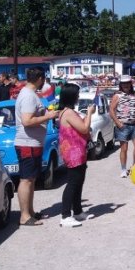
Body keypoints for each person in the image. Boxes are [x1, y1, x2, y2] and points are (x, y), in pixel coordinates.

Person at [14, 67, 60, 226]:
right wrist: (48, 116)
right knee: (26, 180)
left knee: (31, 179)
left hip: (33, 142)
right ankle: (24, 216)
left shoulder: (30, 94)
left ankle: (30, 212)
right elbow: (27, 121)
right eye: (44, 79)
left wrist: (45, 114)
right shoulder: (28, 96)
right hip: (27, 143)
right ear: (40, 78)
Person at [56, 83, 93, 228]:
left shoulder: (69, 111)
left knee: (79, 181)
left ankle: (77, 211)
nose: (78, 97)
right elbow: (84, 129)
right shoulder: (68, 113)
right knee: (73, 183)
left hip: (79, 151)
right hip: (73, 153)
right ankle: (65, 215)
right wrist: (89, 113)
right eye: (77, 95)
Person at [110, 75, 135, 178]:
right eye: (123, 83)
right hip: (122, 126)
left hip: (134, 125)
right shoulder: (117, 95)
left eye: (127, 83)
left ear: (130, 84)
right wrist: (118, 123)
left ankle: (134, 166)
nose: (126, 85)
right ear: (121, 85)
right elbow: (111, 110)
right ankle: (123, 169)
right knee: (124, 149)